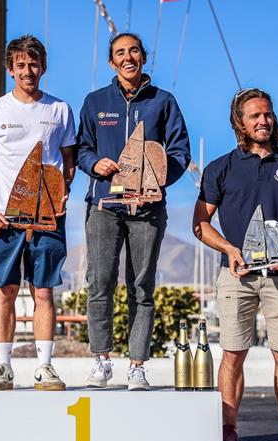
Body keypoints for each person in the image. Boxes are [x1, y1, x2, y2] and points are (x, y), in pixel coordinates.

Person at [193, 88, 278, 441]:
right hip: (237, 275)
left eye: (267, 114)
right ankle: (228, 430)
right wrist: (230, 249)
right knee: (233, 353)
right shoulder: (221, 168)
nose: (263, 121)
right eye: (254, 116)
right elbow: (200, 223)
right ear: (240, 123)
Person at [76, 33, 191, 390]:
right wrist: (96, 165)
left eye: (134, 51)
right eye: (120, 53)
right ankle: (101, 360)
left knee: (141, 286)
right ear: (111, 62)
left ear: (143, 58)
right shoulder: (95, 102)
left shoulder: (163, 102)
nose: (128, 58)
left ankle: (137, 366)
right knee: (100, 282)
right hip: (104, 207)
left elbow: (180, 153)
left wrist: (154, 183)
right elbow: (81, 149)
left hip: (148, 210)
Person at [0, 35, 76, 391]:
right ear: (10, 69)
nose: (27, 71)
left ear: (43, 67)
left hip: (48, 218)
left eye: (33, 64)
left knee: (44, 291)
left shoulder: (59, 110)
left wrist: (63, 195)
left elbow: (69, 162)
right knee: (5, 291)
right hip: (3, 218)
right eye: (20, 65)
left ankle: (45, 367)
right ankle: (3, 366)